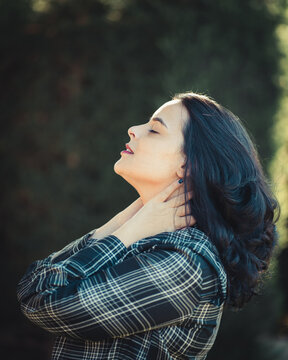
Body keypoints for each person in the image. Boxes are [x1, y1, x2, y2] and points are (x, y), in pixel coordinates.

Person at [16, 91, 279, 360]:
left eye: (154, 130)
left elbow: (41, 300)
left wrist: (124, 232)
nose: (133, 130)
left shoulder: (186, 264)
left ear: (187, 165)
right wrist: (121, 223)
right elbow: (37, 285)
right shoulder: (144, 239)